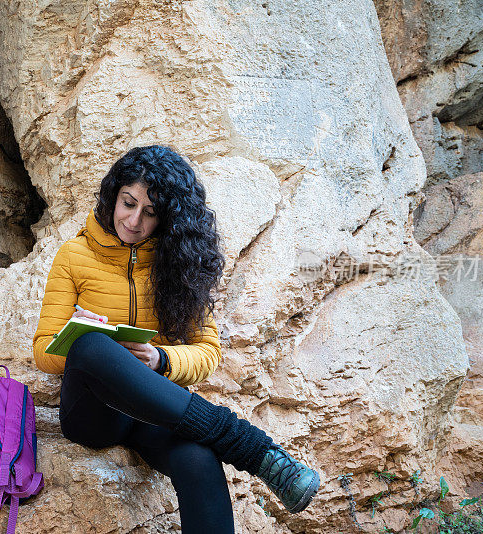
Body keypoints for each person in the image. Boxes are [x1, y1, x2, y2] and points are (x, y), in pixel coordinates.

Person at [32, 145, 320, 532]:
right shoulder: (74, 256)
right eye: (127, 203)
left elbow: (208, 352)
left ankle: (237, 446)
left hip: (153, 410)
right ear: (113, 195)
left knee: (198, 458)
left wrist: (161, 360)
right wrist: (77, 336)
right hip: (93, 414)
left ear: (166, 218)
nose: (133, 220)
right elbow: (42, 351)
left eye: (150, 213)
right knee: (91, 345)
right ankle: (252, 448)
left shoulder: (179, 261)